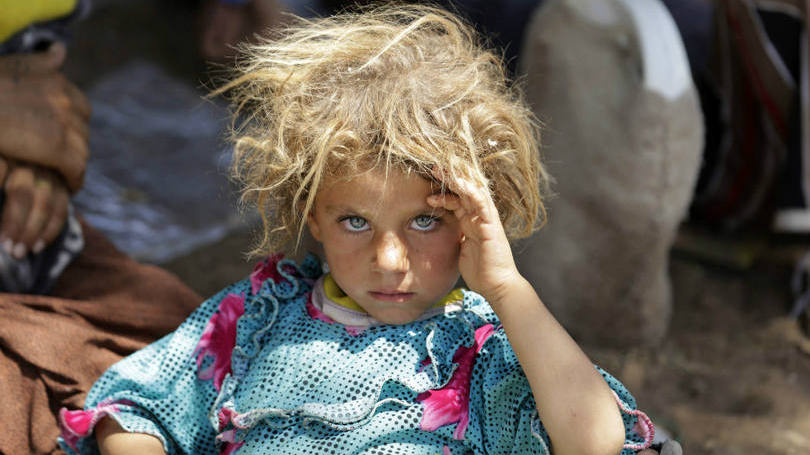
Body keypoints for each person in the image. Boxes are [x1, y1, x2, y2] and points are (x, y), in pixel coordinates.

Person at [58, 5, 658, 455]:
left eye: (425, 221)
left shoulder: (485, 351)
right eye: (355, 222)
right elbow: (137, 408)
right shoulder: (261, 313)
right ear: (313, 215)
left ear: (476, 224)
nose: (389, 260)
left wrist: (506, 287)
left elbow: (595, 442)